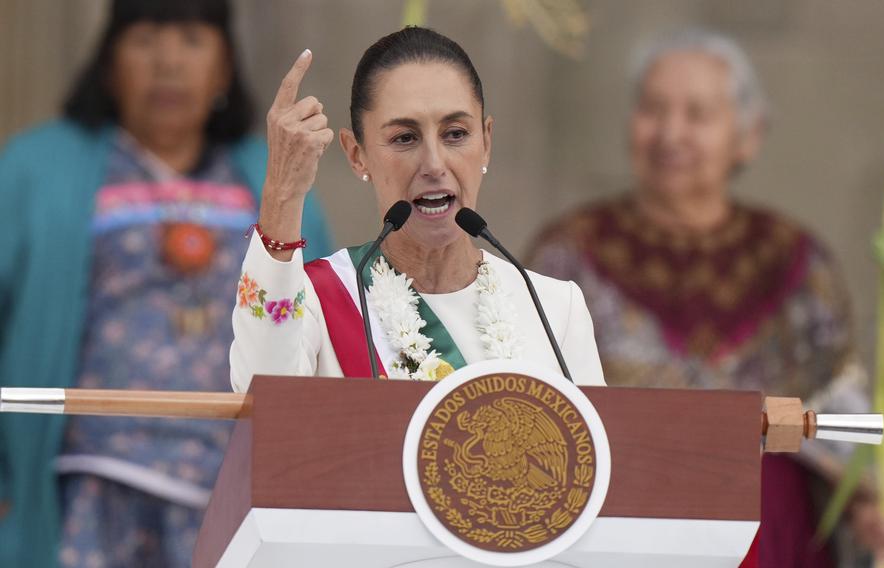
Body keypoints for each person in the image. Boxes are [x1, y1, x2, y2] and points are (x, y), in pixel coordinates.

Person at [527, 28, 884, 566]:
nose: (670, 133)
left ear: (748, 136)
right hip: (614, 525)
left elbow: (840, 413)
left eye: (697, 115)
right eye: (653, 109)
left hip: (770, 534)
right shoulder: (567, 253)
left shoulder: (795, 260)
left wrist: (871, 501)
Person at [0, 1, 332, 566]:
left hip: (235, 496)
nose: (168, 62)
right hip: (86, 486)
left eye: (191, 39)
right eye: (146, 38)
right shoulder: (34, 167)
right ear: (108, 62)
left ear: (226, 68)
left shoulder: (271, 172)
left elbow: (321, 331)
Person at [229, 27, 605, 401]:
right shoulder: (319, 298)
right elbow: (261, 398)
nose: (434, 164)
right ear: (356, 154)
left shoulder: (555, 308)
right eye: (405, 138)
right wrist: (283, 192)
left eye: (456, 134)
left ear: (486, 143)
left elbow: (598, 453)